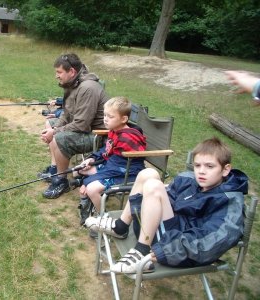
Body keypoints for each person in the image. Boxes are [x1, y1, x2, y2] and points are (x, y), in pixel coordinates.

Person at [85, 137, 248, 274]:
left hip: (172, 248)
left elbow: (211, 242)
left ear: (225, 170)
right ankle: (121, 226)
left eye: (209, 166)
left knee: (154, 186)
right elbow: (167, 198)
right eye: (198, 165)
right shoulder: (189, 180)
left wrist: (164, 251)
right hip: (153, 231)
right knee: (148, 174)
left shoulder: (229, 202)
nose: (201, 171)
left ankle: (141, 251)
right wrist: (157, 194)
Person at [39, 53, 108, 199]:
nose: (56, 76)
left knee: (59, 138)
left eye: (59, 72)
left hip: (98, 136)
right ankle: (54, 170)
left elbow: (82, 125)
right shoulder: (73, 84)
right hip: (86, 129)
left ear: (71, 72)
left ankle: (61, 181)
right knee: (50, 124)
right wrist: (53, 128)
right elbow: (66, 113)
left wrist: (55, 132)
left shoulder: (87, 88)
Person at [73, 96, 146, 225]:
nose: (105, 119)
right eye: (105, 115)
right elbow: (106, 150)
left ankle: (103, 219)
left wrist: (89, 180)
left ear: (124, 119)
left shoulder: (127, 138)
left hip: (128, 173)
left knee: (91, 188)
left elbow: (119, 166)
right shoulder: (114, 130)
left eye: (110, 116)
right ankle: (88, 204)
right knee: (77, 170)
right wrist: (92, 159)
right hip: (112, 166)